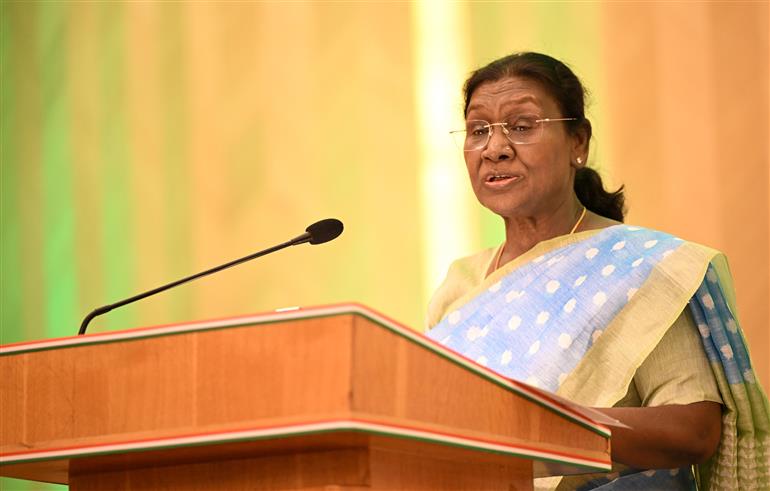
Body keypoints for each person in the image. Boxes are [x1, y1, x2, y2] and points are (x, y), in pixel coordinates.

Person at [426, 52, 769, 490]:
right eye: (479, 131)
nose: (495, 148)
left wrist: (536, 425)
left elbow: (693, 431)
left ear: (578, 143)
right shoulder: (460, 284)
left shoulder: (639, 269)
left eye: (522, 126)